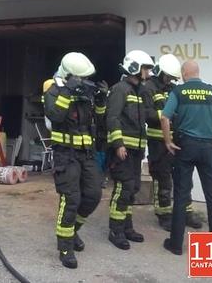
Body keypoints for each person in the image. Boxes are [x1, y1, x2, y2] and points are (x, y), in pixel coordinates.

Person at [44, 52, 107, 269]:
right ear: (70, 75)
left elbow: (99, 121)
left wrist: (100, 101)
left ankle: (73, 231)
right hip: (65, 154)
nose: (84, 81)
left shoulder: (84, 94)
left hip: (85, 153)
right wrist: (68, 90)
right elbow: (55, 116)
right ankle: (65, 247)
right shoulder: (53, 90)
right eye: (80, 78)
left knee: (93, 195)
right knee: (70, 199)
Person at [161, 60, 212, 256]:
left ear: (184, 73)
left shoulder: (179, 92)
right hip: (208, 148)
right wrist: (210, 132)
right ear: (198, 73)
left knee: (181, 195)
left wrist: (167, 141)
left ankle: (175, 245)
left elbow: (165, 117)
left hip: (185, 146)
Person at [144, 54, 202, 231]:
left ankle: (186, 211)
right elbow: (147, 114)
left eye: (172, 77)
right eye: (168, 76)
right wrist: (166, 115)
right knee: (162, 179)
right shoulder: (149, 88)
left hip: (176, 140)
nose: (170, 80)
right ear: (160, 72)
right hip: (157, 142)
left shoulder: (173, 89)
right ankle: (164, 214)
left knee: (184, 177)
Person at [106, 50, 153, 250]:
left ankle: (127, 227)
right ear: (134, 68)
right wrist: (118, 144)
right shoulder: (120, 89)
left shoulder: (139, 91)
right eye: (145, 68)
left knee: (132, 189)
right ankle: (115, 231)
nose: (148, 73)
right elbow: (112, 117)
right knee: (123, 188)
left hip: (136, 149)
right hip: (123, 149)